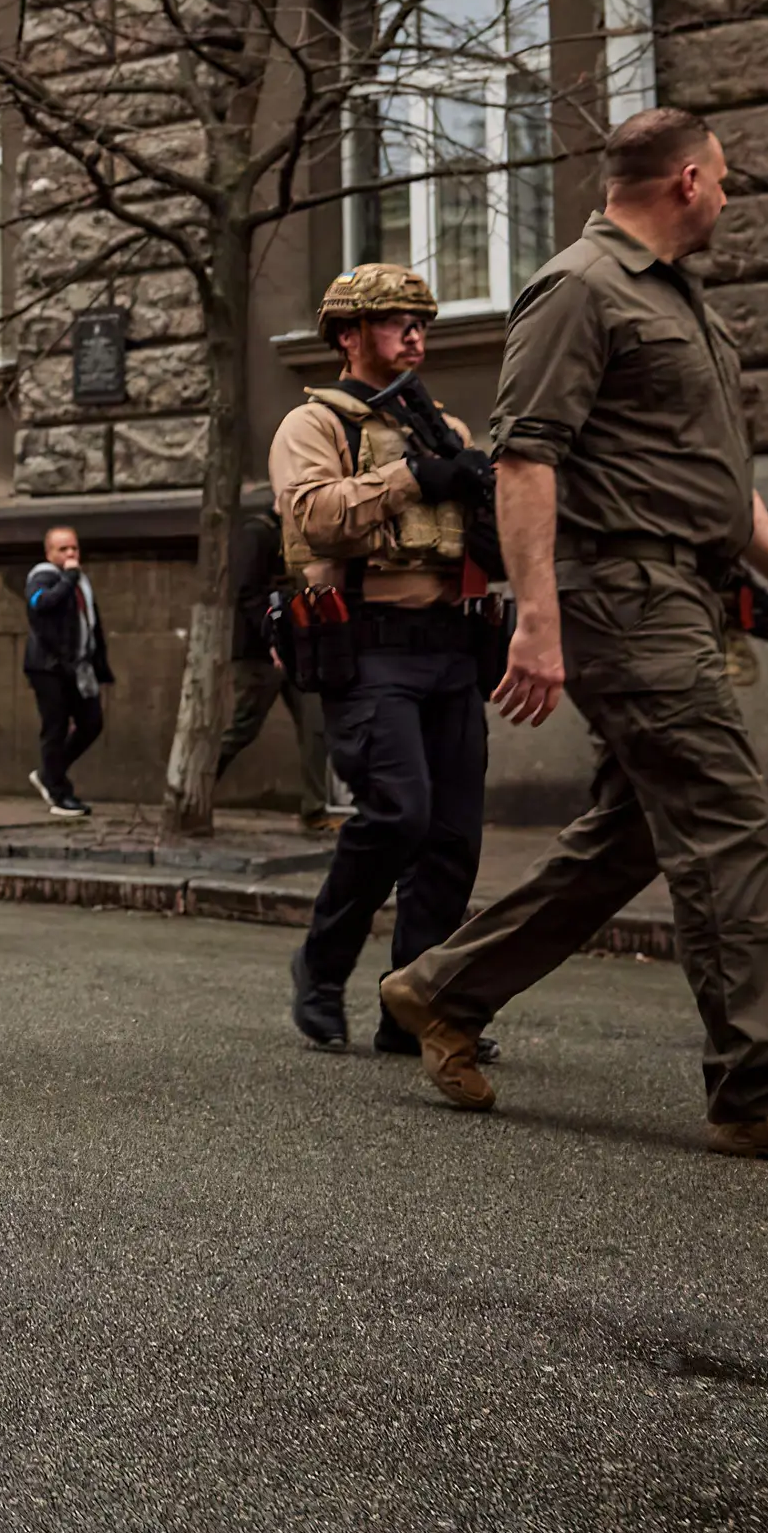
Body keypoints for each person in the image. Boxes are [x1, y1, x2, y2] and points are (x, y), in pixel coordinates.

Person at [378, 107, 768, 1171]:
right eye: (725, 181)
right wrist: (537, 620)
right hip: (622, 593)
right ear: (691, 182)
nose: (727, 197)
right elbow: (525, 461)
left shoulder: (676, 298)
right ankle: (759, 1090)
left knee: (634, 831)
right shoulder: (580, 286)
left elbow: (712, 478)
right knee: (726, 816)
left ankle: (442, 987)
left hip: (686, 590)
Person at [273, 264, 499, 1054]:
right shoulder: (315, 425)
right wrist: (411, 477)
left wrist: (487, 492)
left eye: (421, 322)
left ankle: (416, 1006)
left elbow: (491, 543)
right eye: (398, 321)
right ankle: (323, 968)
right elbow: (316, 518)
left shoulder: (451, 428)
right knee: (398, 813)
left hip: (451, 648)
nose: (416, 335)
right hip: (368, 649)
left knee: (453, 838)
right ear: (349, 335)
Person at [214, 506, 342, 836]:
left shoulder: (302, 535)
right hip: (259, 654)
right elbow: (248, 593)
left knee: (315, 725)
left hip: (298, 652)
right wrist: (272, 636)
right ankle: (193, 786)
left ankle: (314, 810)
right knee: (242, 728)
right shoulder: (257, 533)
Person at [21, 526, 110, 817]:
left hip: (77, 666)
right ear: (49, 553)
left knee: (91, 722)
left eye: (74, 548)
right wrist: (69, 577)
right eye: (63, 549)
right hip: (49, 667)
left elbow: (90, 624)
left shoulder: (79, 582)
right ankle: (58, 794)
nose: (71, 554)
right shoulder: (42, 576)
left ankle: (49, 773)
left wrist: (98, 664)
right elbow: (41, 603)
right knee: (55, 727)